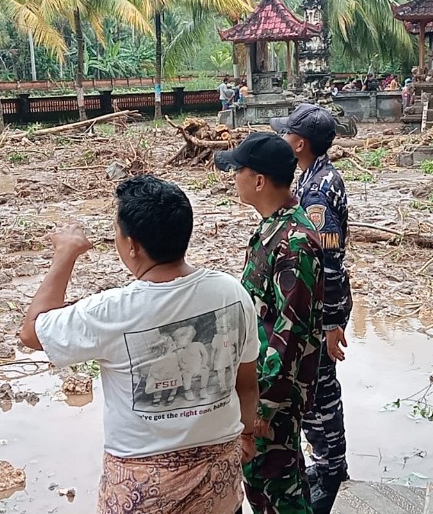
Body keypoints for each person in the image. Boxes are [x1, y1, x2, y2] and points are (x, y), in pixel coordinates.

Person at [20, 175, 261, 514]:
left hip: (144, 493)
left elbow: (32, 332)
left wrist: (66, 254)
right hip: (219, 486)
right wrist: (247, 435)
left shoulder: (111, 311)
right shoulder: (231, 293)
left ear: (132, 245)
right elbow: (247, 384)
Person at [214, 133, 324, 514]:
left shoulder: (294, 243)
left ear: (259, 180)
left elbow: (291, 333)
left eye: (238, 170)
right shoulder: (271, 229)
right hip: (259, 388)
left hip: (272, 395)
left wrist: (263, 406)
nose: (234, 178)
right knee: (266, 485)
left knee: (277, 489)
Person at [271, 104, 352, 514]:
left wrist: (333, 322)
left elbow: (330, 262)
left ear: (299, 143)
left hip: (321, 312)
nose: (283, 139)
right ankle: (328, 467)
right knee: (316, 392)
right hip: (319, 310)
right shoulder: (312, 176)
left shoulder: (318, 189)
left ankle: (332, 472)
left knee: (320, 395)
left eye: (286, 134)